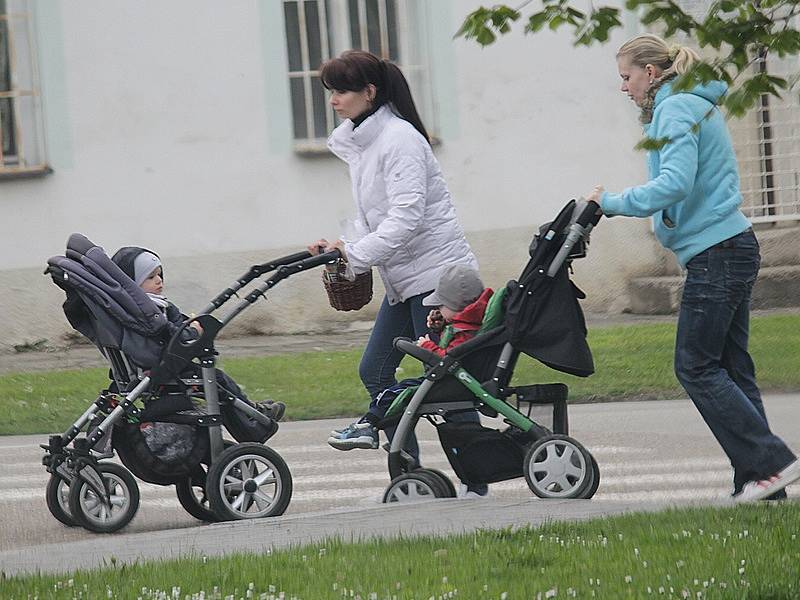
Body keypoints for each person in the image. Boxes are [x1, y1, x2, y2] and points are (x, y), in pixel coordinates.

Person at [587, 33, 799, 502]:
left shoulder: (675, 107)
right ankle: (762, 483)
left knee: (695, 367)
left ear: (652, 72)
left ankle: (774, 463)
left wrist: (613, 203)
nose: (624, 88)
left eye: (627, 77)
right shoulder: (691, 103)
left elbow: (674, 183)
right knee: (732, 370)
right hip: (730, 244)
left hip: (717, 251)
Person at [308, 50, 487, 496]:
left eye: (342, 90)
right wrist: (342, 246)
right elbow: (375, 217)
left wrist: (356, 255)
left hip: (434, 279)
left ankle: (475, 480)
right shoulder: (367, 145)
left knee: (445, 385)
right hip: (404, 280)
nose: (334, 100)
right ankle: (410, 478)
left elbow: (406, 219)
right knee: (378, 371)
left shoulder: (399, 140)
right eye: (330, 90)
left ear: (370, 92)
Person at [328, 263, 493, 451]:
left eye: (441, 304)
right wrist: (440, 330)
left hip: (451, 382)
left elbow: (449, 358)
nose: (437, 308)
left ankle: (368, 426)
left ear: (455, 305)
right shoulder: (471, 324)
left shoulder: (464, 331)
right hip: (456, 378)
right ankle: (373, 429)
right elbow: (457, 350)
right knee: (386, 383)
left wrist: (426, 346)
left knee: (393, 394)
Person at [111, 246, 285, 422]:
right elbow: (171, 335)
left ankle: (251, 413)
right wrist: (194, 331)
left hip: (158, 364)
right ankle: (253, 414)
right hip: (164, 368)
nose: (159, 281)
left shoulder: (137, 309)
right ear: (132, 284)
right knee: (217, 379)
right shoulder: (148, 311)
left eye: (159, 275)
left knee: (216, 382)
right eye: (150, 277)